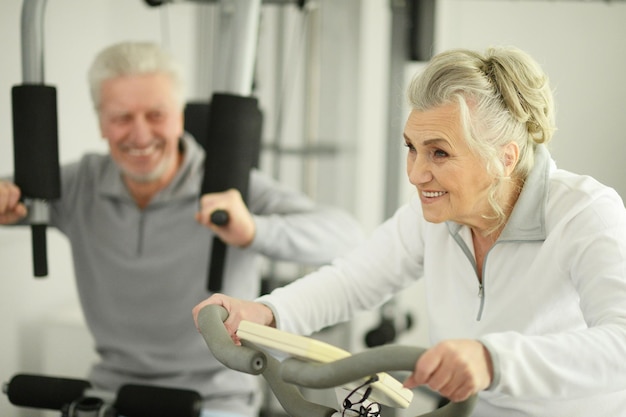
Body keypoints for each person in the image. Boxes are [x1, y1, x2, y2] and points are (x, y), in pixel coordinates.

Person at [193, 45, 626, 416]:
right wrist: (266, 312)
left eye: (439, 153)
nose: (417, 174)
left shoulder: (585, 213)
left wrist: (493, 360)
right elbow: (351, 282)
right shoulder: (434, 216)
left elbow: (621, 343)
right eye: (411, 149)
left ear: (505, 157)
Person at [0, 41, 366, 417]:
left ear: (179, 116)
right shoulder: (80, 184)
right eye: (122, 117)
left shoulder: (227, 184)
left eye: (156, 115)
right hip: (112, 394)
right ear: (100, 122)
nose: (140, 135)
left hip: (217, 401)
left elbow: (348, 237)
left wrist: (252, 230)